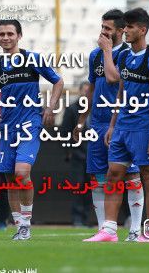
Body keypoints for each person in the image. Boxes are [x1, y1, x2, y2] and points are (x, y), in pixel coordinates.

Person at [0, 19, 64, 240]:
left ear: (19, 36)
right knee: (10, 178)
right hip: (7, 127)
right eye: (1, 34)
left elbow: (58, 82)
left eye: (10, 33)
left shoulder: (32, 59)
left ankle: (26, 225)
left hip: (30, 122)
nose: (5, 38)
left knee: (22, 173)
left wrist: (50, 108)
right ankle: (20, 226)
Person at [98, 8, 149, 242]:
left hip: (144, 128)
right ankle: (109, 230)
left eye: (129, 27)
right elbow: (121, 91)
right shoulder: (124, 56)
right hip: (122, 128)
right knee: (113, 174)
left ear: (142, 29)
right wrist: (112, 124)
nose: (125, 31)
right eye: (125, 27)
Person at [74, 9, 144, 241]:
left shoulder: (128, 54)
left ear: (121, 31)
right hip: (99, 124)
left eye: (108, 28)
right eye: (102, 27)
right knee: (99, 178)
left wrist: (106, 51)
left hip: (123, 124)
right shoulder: (95, 55)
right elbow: (92, 90)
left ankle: (134, 229)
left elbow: (114, 78)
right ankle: (105, 229)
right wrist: (82, 121)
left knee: (131, 177)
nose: (103, 32)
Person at [61, 81, 92, 227]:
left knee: (90, 188)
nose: (86, 94)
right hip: (78, 155)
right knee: (78, 187)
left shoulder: (97, 107)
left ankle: (86, 218)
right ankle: (77, 218)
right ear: (80, 92)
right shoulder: (72, 109)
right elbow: (64, 132)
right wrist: (69, 152)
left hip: (93, 155)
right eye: (84, 91)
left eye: (89, 91)